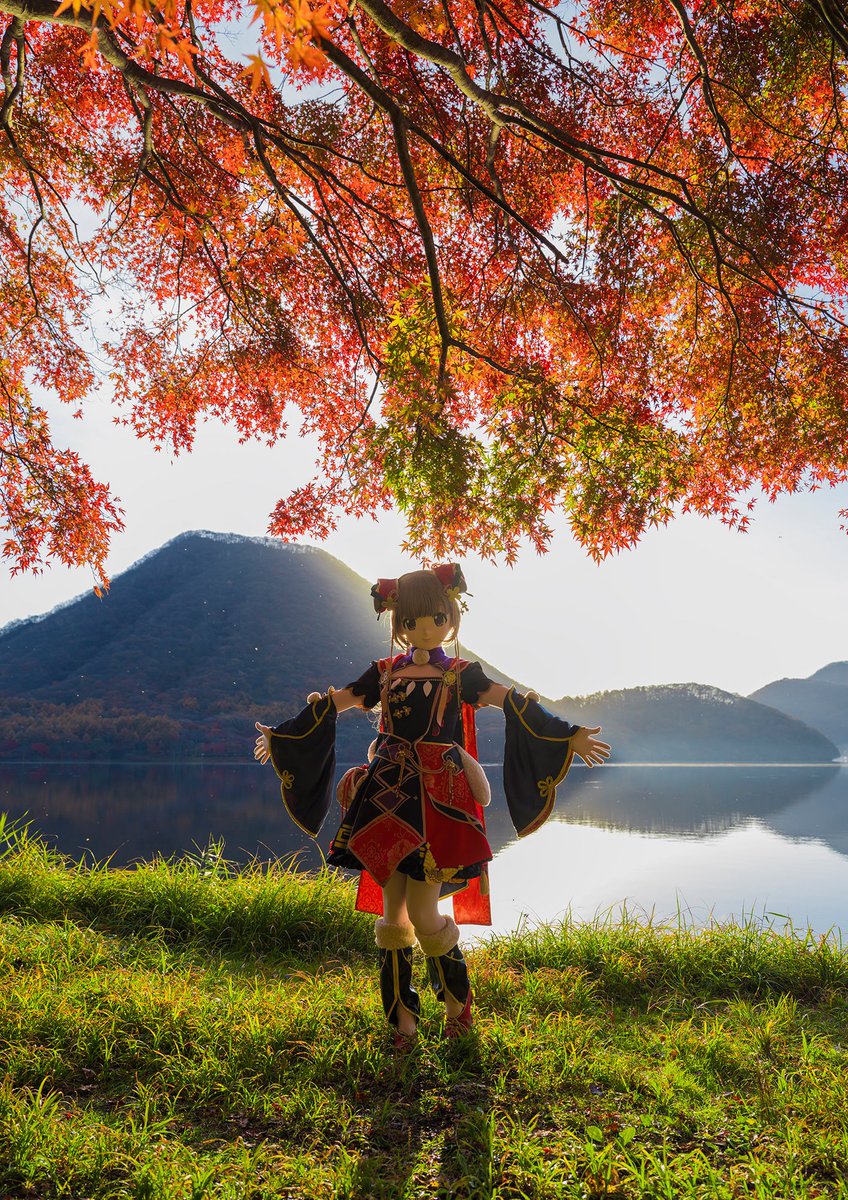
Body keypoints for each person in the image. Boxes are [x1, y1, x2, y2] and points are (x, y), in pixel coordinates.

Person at [254, 565, 610, 1048]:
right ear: (400, 621)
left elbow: (513, 702)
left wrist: (566, 734)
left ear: (451, 617)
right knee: (391, 917)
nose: (427, 628)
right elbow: (333, 704)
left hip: (439, 804)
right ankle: (403, 1024)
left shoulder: (462, 675)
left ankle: (458, 1005)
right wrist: (285, 736)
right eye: (416, 620)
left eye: (437, 618)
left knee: (423, 914)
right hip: (385, 798)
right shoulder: (383, 673)